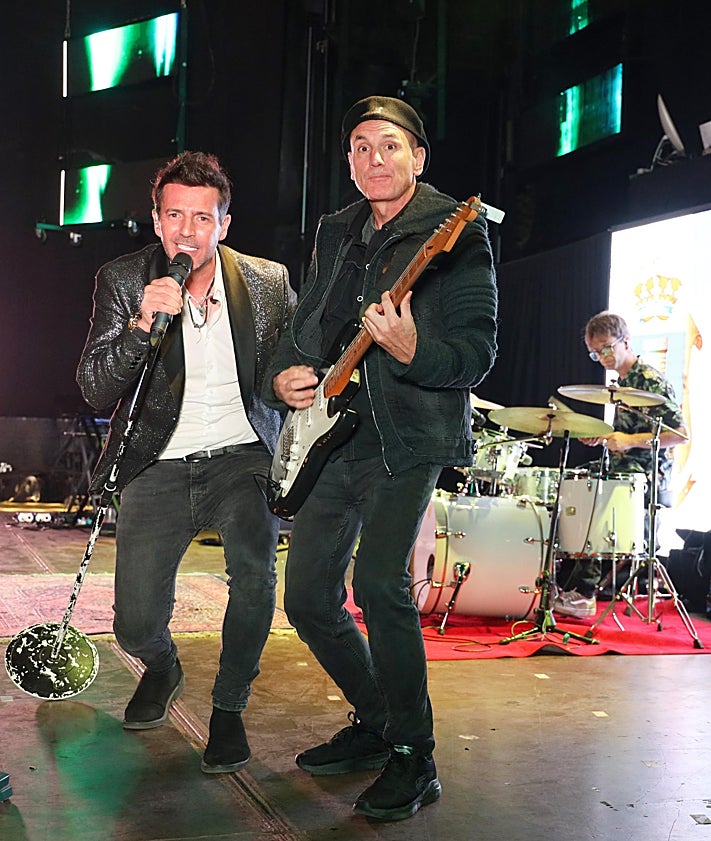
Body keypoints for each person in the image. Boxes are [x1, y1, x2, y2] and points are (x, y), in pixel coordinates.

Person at [262, 96, 498, 821]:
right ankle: (376, 720)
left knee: (379, 584)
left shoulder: (455, 236)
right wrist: (284, 371)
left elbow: (478, 354)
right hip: (334, 435)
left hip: (409, 437)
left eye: (388, 146)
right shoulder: (338, 231)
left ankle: (413, 755)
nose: (373, 159)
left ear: (417, 157)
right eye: (360, 147)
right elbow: (307, 325)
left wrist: (413, 349)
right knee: (304, 596)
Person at [76, 151, 296, 772]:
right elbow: (94, 386)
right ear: (156, 220)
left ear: (224, 224)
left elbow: (287, 365)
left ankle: (228, 710)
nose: (187, 231)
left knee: (254, 576)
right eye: (175, 215)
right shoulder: (124, 281)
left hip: (243, 456)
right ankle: (162, 664)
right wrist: (143, 322)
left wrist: (289, 385)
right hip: (157, 461)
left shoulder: (267, 281)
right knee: (133, 621)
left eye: (203, 218)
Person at [554, 310, 687, 619]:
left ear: (625, 341)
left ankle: (584, 594)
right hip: (625, 469)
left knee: (598, 495)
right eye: (594, 353)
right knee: (579, 485)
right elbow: (624, 434)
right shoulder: (622, 384)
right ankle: (565, 584)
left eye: (605, 348)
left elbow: (679, 435)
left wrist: (629, 441)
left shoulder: (649, 381)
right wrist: (603, 438)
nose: (600, 357)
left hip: (649, 475)